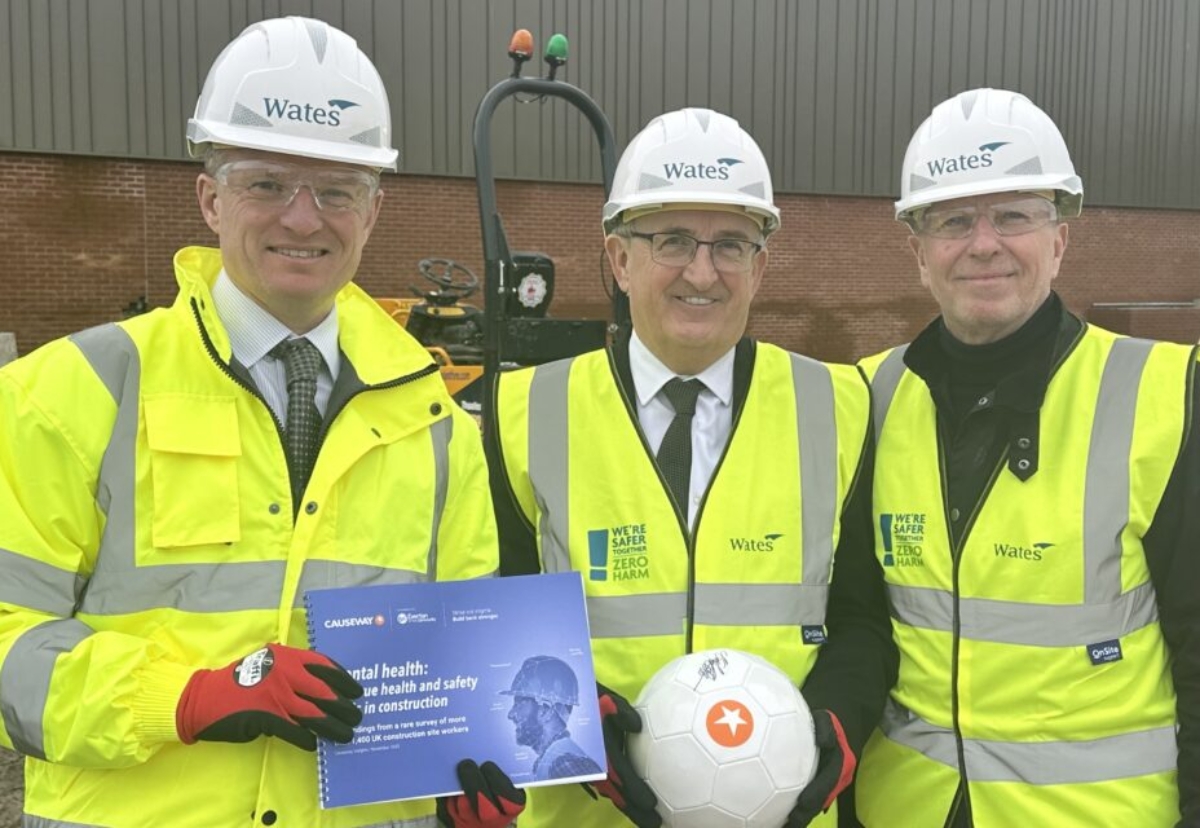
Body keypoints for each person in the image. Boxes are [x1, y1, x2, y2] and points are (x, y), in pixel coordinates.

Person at [0, 16, 523, 828]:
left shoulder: (436, 422)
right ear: (210, 199)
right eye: (268, 184)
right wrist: (186, 698)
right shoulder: (69, 393)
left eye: (337, 191)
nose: (304, 220)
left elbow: (460, 655)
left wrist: (475, 763)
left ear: (373, 211)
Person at [486, 107, 898, 828]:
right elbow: (494, 611)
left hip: (781, 810)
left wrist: (838, 721)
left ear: (760, 267)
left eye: (731, 245)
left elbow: (864, 616)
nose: (702, 273)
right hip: (588, 814)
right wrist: (579, 728)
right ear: (619, 259)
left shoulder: (839, 405)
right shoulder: (521, 411)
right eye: (672, 240)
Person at [854, 87, 1200, 828]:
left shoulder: (1168, 397)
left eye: (1013, 215)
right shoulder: (866, 400)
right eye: (952, 220)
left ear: (1059, 239)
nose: (983, 243)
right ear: (917, 251)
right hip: (905, 811)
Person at [501, 655, 605, 781]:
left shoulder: (563, 764)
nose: (510, 714)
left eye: (519, 704)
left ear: (546, 711)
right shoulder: (553, 761)